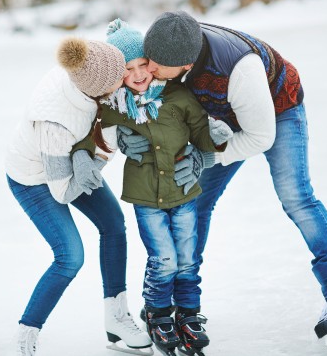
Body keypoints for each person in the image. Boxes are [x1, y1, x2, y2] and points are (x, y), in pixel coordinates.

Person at [116, 10, 327, 351]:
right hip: (225, 116)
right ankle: (176, 301)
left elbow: (260, 137)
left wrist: (206, 157)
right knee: (194, 202)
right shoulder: (170, 49)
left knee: (296, 196)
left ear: (183, 64)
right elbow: (122, 98)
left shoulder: (240, 69)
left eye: (154, 65)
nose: (147, 70)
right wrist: (121, 133)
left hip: (277, 112)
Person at [87, 18, 233, 356]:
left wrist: (212, 138)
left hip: (183, 193)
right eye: (128, 69)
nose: (138, 74)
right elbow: (95, 132)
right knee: (164, 258)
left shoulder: (179, 96)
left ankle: (189, 315)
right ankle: (157, 314)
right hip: (146, 198)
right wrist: (110, 139)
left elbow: (200, 132)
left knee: (186, 258)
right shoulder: (115, 108)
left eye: (143, 65)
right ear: (116, 74)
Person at [4, 37, 152, 355]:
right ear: (97, 88)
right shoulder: (53, 121)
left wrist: (94, 153)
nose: (125, 81)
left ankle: (116, 317)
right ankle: (27, 331)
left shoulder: (92, 75)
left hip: (69, 161)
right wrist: (85, 160)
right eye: (119, 78)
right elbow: (62, 192)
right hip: (35, 179)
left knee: (113, 223)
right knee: (70, 256)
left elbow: (105, 134)